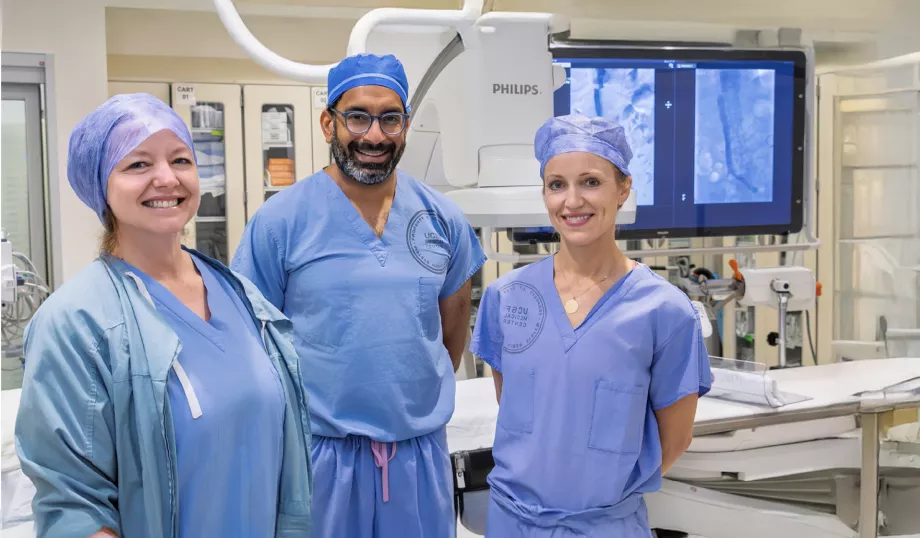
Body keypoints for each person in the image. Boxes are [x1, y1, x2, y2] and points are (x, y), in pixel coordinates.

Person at [13, 93, 313, 538]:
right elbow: (74, 506)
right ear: (102, 185)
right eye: (137, 164)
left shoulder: (243, 297)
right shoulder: (76, 323)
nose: (166, 178)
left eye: (180, 160)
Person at [232, 53, 486, 538]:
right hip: (319, 459)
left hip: (418, 458)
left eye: (390, 118)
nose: (374, 135)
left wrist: (404, 396)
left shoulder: (442, 219)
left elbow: (451, 335)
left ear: (406, 125)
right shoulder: (281, 221)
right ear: (329, 121)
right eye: (357, 116)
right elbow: (253, 347)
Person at [469, 115, 713, 537]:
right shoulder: (508, 298)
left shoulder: (665, 311)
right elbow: (515, 407)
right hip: (511, 523)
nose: (572, 201)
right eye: (557, 185)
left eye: (591, 182)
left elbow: (675, 441)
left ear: (623, 189)